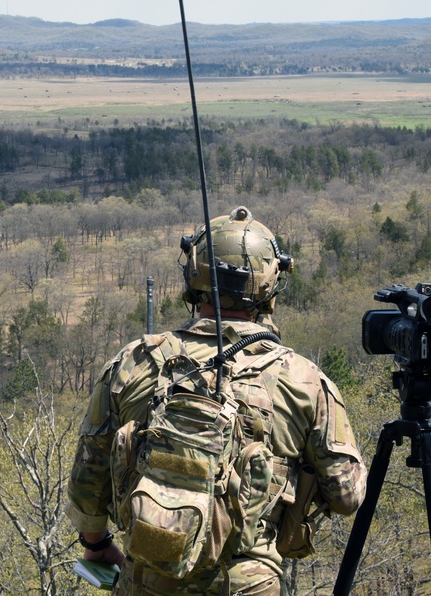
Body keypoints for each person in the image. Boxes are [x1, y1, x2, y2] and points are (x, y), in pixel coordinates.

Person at [67, 206, 367, 595]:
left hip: (148, 580)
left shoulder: (134, 362)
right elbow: (346, 496)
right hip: (247, 583)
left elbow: (88, 476)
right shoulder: (304, 379)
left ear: (193, 276)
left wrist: (96, 544)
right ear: (269, 287)